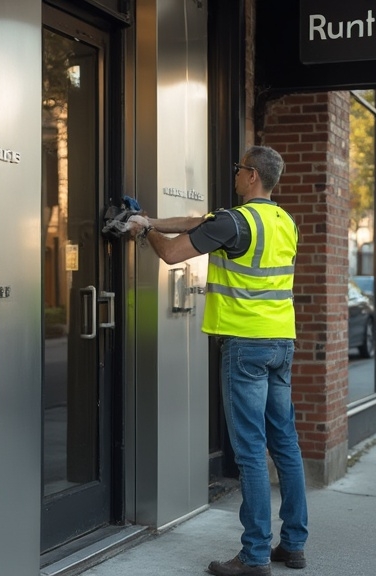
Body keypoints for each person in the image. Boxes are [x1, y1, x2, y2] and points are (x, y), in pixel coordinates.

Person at [127, 146, 307, 576]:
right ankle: (294, 546)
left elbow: (172, 254)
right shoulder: (282, 221)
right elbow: (197, 224)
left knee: (249, 452)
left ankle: (255, 555)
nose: (235, 174)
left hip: (245, 345)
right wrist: (150, 218)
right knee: (285, 445)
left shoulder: (237, 221)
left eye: (239, 168)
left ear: (251, 176)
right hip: (281, 343)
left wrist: (142, 233)